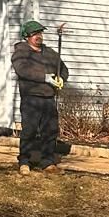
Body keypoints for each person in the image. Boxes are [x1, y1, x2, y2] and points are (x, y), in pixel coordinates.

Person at [11, 19, 69, 173]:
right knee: (29, 131)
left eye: (40, 33)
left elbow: (63, 69)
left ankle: (48, 162)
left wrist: (61, 77)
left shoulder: (50, 53)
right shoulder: (21, 53)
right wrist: (44, 77)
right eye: (35, 33)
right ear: (27, 36)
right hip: (31, 98)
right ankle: (24, 161)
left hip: (49, 98)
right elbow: (22, 70)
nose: (39, 36)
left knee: (50, 130)